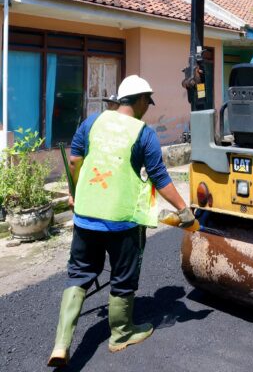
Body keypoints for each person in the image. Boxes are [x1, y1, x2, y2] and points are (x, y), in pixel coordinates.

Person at [47, 75, 194, 367]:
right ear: (140, 100)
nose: (147, 108)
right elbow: (159, 176)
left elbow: (75, 160)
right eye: (148, 102)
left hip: (86, 215)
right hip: (122, 219)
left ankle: (61, 344)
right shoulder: (144, 133)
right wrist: (183, 209)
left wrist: (75, 192)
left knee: (79, 273)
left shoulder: (92, 122)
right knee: (123, 275)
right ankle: (121, 334)